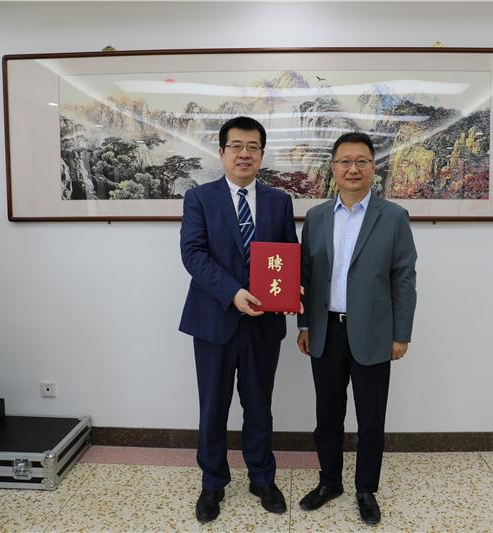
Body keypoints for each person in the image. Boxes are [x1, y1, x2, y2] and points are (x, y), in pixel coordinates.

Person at [179, 116, 298, 523]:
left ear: (261, 154)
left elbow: (288, 253)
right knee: (213, 406)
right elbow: (193, 254)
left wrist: (291, 288)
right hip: (214, 319)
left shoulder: (280, 202)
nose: (244, 153)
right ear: (222, 151)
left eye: (252, 146)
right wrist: (233, 293)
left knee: (259, 405)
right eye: (236, 146)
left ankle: (262, 478)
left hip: (264, 323)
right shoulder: (199, 198)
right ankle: (212, 483)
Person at [296, 132, 417, 525]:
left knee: (371, 419)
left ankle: (366, 488)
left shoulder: (393, 217)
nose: (353, 169)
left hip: (374, 333)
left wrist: (401, 334)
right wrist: (303, 324)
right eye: (344, 161)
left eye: (361, 161)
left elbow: (403, 278)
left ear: (372, 167)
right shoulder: (316, 218)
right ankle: (329, 481)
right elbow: (305, 276)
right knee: (327, 416)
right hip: (325, 331)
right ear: (333, 168)